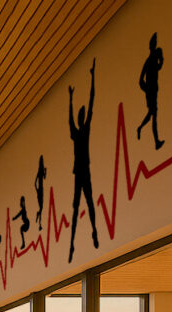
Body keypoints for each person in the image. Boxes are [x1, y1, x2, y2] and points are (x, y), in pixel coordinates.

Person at [68, 59, 98, 264]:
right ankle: (73, 243)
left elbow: (92, 100)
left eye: (82, 115)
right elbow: (70, 118)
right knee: (79, 205)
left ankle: (92, 232)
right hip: (81, 172)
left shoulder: (83, 131)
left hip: (82, 172)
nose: (81, 117)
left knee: (85, 203)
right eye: (81, 115)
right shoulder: (80, 133)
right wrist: (70, 99)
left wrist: (93, 77)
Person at [136, 33, 165, 149]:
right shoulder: (148, 61)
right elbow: (140, 80)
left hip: (153, 90)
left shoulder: (153, 58)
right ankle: (156, 141)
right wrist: (147, 89)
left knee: (151, 115)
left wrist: (161, 58)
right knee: (153, 115)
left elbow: (159, 67)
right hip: (151, 91)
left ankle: (140, 128)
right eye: (154, 43)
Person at [34, 156, 47, 230]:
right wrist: (37, 190)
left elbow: (44, 177)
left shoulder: (40, 171)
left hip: (41, 190)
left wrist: (45, 171)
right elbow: (35, 182)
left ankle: (39, 222)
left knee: (41, 207)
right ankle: (39, 224)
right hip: (40, 191)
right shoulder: (39, 171)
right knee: (41, 207)